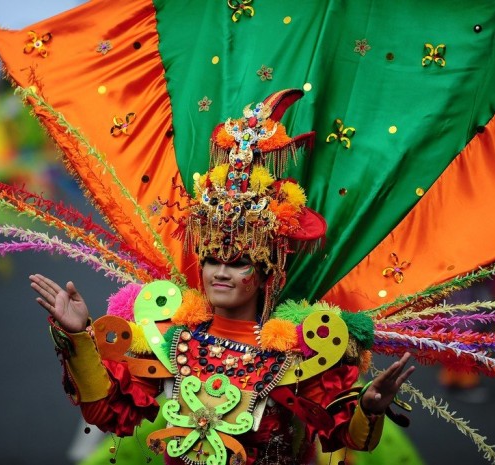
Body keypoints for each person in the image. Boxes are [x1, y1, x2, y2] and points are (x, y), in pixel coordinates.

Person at [29, 91, 415, 465]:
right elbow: (108, 413)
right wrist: (79, 337)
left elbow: (342, 433)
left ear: (267, 272)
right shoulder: (171, 339)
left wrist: (368, 408)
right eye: (213, 260)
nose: (220, 273)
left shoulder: (295, 353)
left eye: (238, 262)